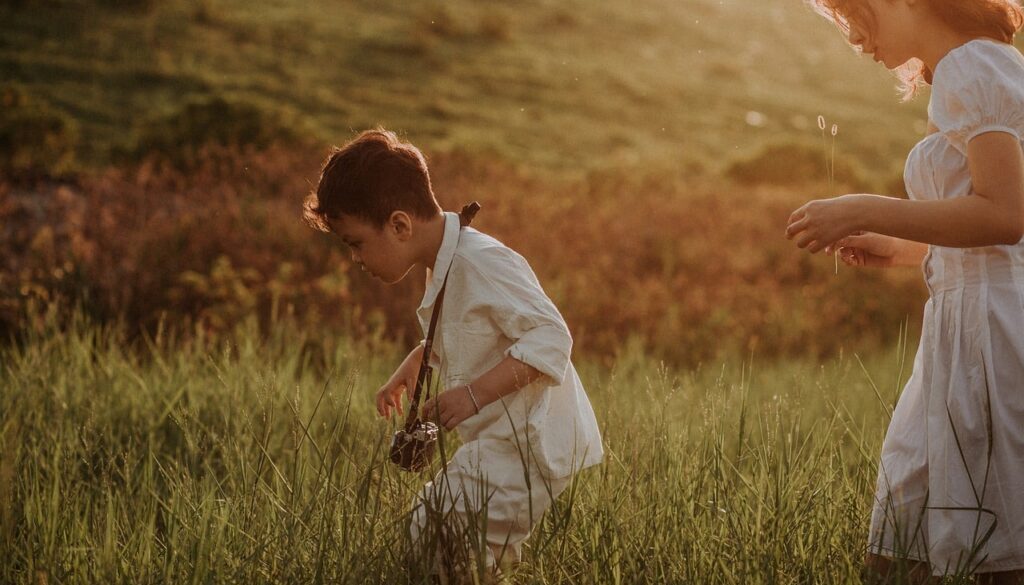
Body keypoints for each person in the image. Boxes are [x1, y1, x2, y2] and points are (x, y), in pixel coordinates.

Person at [787, 0, 1024, 582]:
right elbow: (986, 230)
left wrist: (864, 206)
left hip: (989, 331)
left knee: (984, 545)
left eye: (853, 15)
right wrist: (896, 244)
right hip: (963, 326)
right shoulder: (973, 68)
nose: (853, 38)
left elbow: (1006, 216)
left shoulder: (972, 66)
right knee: (903, 541)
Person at [303, 128, 603, 581]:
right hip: (500, 443)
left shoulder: (479, 261)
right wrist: (413, 365)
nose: (356, 259)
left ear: (399, 225)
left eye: (356, 243)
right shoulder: (445, 260)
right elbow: (469, 330)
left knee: (441, 537)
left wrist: (472, 396)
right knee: (434, 531)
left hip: (532, 446)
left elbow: (550, 337)